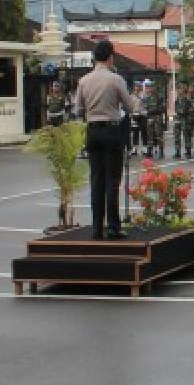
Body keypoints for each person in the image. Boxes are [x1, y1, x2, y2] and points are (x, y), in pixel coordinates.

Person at [72, 41, 140, 240]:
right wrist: (133, 100)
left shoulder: (84, 81)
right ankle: (113, 227)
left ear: (94, 58)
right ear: (110, 57)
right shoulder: (116, 79)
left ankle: (96, 228)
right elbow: (130, 107)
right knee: (112, 180)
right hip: (111, 132)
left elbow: (78, 110)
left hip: (92, 131)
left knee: (96, 180)